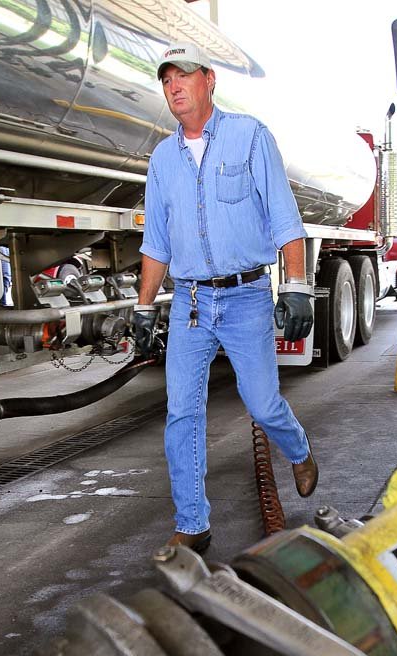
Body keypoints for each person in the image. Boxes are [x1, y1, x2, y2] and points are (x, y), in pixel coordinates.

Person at [134, 41, 318, 553]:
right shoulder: (163, 159)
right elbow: (157, 243)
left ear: (209, 80)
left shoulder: (250, 136)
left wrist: (298, 288)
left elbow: (285, 220)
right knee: (182, 413)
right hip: (190, 304)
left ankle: (299, 450)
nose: (174, 87)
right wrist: (144, 307)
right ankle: (193, 524)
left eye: (183, 76)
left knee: (261, 402)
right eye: (166, 78)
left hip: (246, 298)